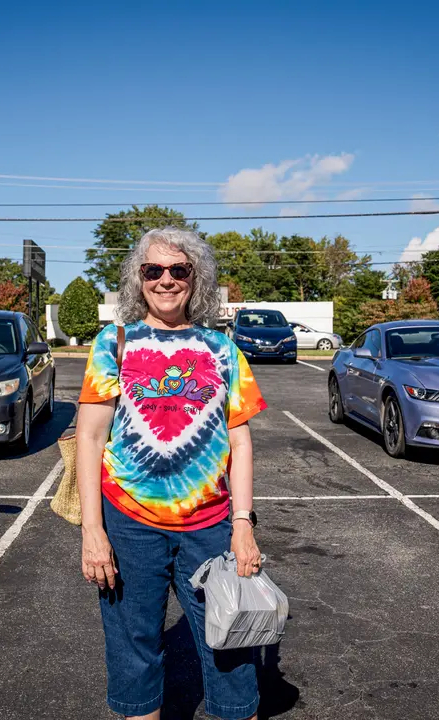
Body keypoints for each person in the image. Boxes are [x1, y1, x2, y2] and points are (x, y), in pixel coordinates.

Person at [76, 226, 267, 720]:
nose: (166, 280)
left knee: (230, 645)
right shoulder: (112, 343)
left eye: (178, 270)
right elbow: (91, 440)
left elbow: (240, 441)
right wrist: (93, 532)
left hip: (210, 526)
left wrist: (242, 525)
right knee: (133, 648)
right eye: (153, 270)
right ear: (137, 279)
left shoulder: (222, 349)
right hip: (128, 524)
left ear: (195, 278)